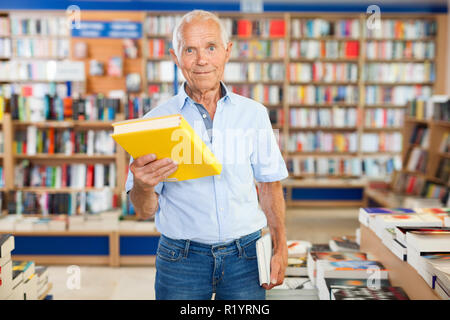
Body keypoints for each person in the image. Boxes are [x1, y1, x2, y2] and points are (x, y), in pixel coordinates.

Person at [125, 9, 289, 300]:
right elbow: (144, 210)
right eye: (190, 50)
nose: (202, 60)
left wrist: (280, 247)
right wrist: (142, 184)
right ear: (175, 57)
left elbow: (269, 184)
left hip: (246, 257)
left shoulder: (254, 114)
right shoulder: (154, 123)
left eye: (211, 48)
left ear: (227, 52)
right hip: (181, 260)